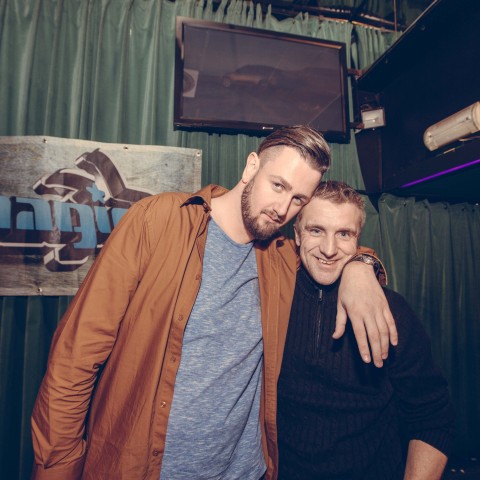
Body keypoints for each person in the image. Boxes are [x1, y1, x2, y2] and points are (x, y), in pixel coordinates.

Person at [31, 126, 396, 480]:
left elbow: (333, 251)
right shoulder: (158, 220)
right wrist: (58, 466)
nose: (282, 208)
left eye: (298, 199)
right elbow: (76, 356)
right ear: (251, 167)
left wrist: (361, 267)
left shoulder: (281, 258)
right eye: (278, 186)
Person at [277, 180, 455, 480]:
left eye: (344, 234)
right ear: (296, 233)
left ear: (358, 239)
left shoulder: (390, 310)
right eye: (316, 230)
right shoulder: (271, 300)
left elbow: (433, 417)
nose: (329, 249)